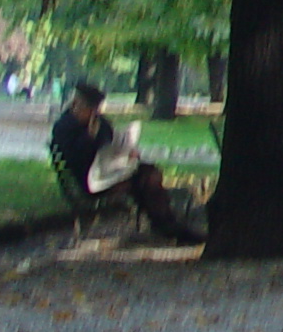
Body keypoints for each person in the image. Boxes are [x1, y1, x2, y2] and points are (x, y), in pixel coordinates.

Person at [51, 81, 202, 244]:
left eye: (97, 110)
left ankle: (168, 225)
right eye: (91, 110)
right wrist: (89, 136)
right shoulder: (63, 127)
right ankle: (169, 227)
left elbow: (113, 142)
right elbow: (76, 159)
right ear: (77, 106)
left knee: (151, 173)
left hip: (113, 172)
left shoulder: (98, 122)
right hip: (92, 181)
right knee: (145, 182)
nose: (96, 114)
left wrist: (128, 151)